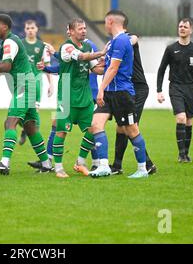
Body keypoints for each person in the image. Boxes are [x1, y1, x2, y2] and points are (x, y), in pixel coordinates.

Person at [0, 13, 52, 175]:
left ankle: (4, 164)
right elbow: (7, 65)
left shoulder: (9, 42)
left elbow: (7, 66)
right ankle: (46, 164)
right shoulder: (11, 40)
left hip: (25, 86)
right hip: (28, 85)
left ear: (5, 27)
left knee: (9, 122)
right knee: (30, 127)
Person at [90, 10, 150, 179]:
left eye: (105, 22)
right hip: (110, 94)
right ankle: (103, 166)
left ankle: (143, 169)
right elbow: (107, 66)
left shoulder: (122, 40)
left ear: (110, 21)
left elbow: (113, 69)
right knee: (95, 124)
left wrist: (100, 88)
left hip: (122, 94)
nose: (104, 25)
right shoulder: (113, 42)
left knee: (131, 130)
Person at [51, 19, 106, 178]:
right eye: (80, 29)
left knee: (93, 129)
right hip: (66, 96)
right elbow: (81, 57)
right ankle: (59, 168)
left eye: (85, 28)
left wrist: (109, 63)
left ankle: (80, 162)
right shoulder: (66, 47)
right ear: (71, 31)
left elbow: (95, 68)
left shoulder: (88, 46)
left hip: (85, 95)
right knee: (61, 132)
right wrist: (100, 53)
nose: (84, 31)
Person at [157, 18, 193, 163]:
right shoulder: (170, 49)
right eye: (180, 26)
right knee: (181, 117)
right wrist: (159, 90)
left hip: (190, 88)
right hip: (175, 87)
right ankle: (181, 155)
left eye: (185, 27)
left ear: (191, 30)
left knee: (189, 121)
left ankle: (186, 153)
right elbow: (161, 70)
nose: (182, 28)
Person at [109, 16, 157, 175]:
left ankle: (147, 165)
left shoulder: (128, 38)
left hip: (138, 88)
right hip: (125, 90)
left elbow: (134, 39)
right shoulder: (115, 43)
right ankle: (117, 165)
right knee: (121, 126)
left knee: (130, 126)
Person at [18, 19, 53, 145]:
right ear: (24, 30)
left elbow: (47, 65)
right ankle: (25, 129)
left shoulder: (42, 46)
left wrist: (51, 84)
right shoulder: (20, 44)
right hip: (22, 80)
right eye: (28, 28)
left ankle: (32, 134)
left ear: (37, 29)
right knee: (21, 109)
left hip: (37, 80)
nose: (30, 30)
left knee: (35, 109)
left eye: (32, 28)